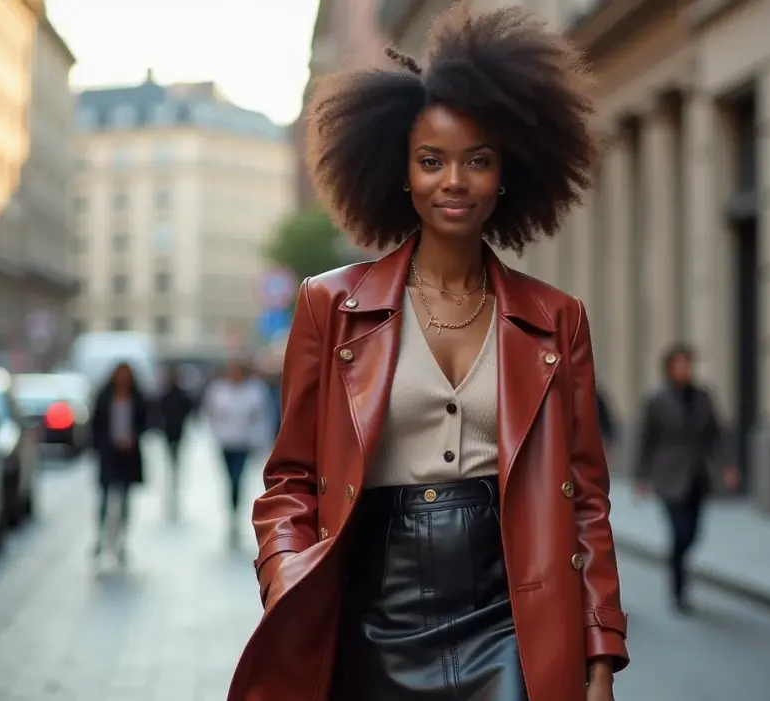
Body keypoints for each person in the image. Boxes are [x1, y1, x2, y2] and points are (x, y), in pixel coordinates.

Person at [227, 6, 628, 701]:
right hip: (371, 611)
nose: (454, 180)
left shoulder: (556, 321)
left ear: (505, 174)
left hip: (510, 609)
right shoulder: (333, 306)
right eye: (431, 160)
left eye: (477, 160)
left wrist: (599, 652)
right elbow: (289, 478)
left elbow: (586, 498)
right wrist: (289, 578)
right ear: (401, 173)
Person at [631, 343, 739, 614]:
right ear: (669, 368)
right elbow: (645, 440)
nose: (684, 369)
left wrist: (727, 466)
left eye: (688, 364)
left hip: (697, 475)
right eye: (679, 364)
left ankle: (677, 563)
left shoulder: (703, 397)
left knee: (692, 533)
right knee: (679, 532)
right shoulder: (657, 400)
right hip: (668, 476)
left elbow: (716, 434)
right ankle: (678, 589)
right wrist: (641, 476)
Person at [201, 359, 271, 547]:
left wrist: (260, 441)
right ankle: (232, 509)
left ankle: (235, 509)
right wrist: (215, 434)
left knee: (237, 477)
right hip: (225, 442)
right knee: (229, 478)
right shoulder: (218, 390)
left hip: (244, 442)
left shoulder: (255, 390)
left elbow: (262, 416)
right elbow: (210, 414)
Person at [90, 362, 149, 564]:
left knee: (124, 498)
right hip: (108, 454)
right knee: (105, 497)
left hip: (128, 456)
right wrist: (102, 445)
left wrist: (133, 438)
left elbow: (146, 421)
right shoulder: (104, 397)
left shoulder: (136, 397)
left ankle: (122, 539)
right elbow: (95, 425)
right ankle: (101, 537)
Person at [157, 365, 194, 520]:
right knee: (172, 462)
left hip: (175, 433)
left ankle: (173, 489)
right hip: (172, 433)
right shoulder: (170, 395)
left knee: (174, 462)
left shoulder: (173, 396)